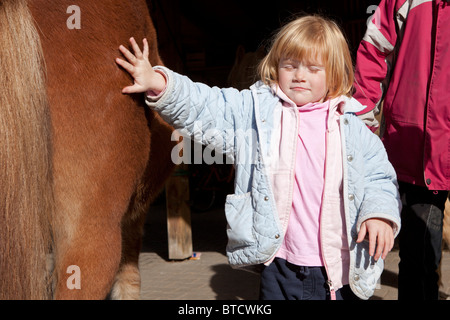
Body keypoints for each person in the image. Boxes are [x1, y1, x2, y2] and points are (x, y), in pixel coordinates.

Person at [116, 15, 401, 300]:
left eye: (313, 68)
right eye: (290, 65)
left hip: (338, 270)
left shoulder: (352, 128)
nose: (300, 75)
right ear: (276, 66)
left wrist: (379, 214)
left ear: (335, 75)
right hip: (279, 265)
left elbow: (379, 177)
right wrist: (158, 82)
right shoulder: (254, 112)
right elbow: (207, 106)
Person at [353, 0, 449, 300]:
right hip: (415, 150)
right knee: (418, 257)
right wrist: (363, 126)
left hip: (429, 147)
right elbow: (373, 54)